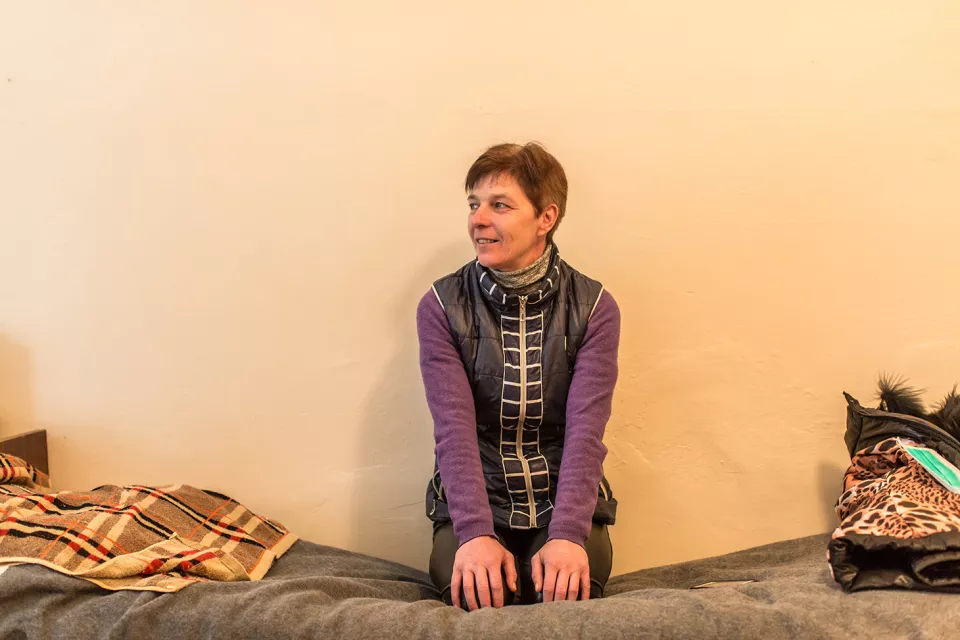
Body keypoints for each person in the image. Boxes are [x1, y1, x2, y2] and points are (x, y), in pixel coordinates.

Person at [417, 142, 620, 610]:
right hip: (475, 499)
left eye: (500, 205)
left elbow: (586, 432)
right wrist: (473, 534)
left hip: (563, 498)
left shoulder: (595, 308)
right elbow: (453, 432)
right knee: (477, 594)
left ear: (545, 218)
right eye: (474, 204)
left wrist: (569, 534)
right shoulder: (441, 306)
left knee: (565, 594)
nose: (478, 219)